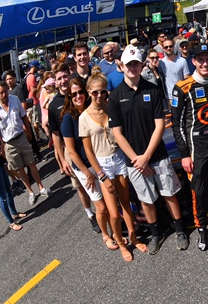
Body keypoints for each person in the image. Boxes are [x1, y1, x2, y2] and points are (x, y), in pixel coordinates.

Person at [109, 45, 189, 254]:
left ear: (141, 64)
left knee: (169, 194)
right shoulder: (115, 96)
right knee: (146, 199)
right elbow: (117, 133)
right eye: (129, 64)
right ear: (122, 66)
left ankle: (180, 230)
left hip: (157, 155)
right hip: (133, 161)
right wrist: (137, 159)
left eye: (136, 64)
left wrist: (146, 156)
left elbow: (160, 126)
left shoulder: (152, 90)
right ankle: (156, 234)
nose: (132, 68)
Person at [80, 73, 149, 261]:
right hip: (103, 164)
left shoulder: (112, 108)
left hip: (119, 158)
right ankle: (120, 243)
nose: (99, 96)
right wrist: (101, 175)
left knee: (126, 202)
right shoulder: (84, 118)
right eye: (95, 93)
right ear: (88, 93)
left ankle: (133, 238)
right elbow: (88, 152)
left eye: (103, 92)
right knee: (113, 211)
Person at [171, 43, 208, 251]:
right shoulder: (182, 87)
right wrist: (184, 154)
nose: (205, 63)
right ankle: (202, 228)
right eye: (201, 60)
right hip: (196, 144)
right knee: (199, 188)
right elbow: (177, 126)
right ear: (194, 61)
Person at [61, 78, 118, 252]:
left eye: (80, 92)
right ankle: (106, 235)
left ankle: (116, 232)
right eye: (74, 94)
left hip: (99, 162)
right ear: (69, 97)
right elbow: (71, 151)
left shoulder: (91, 110)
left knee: (110, 200)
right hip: (84, 168)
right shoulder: (68, 119)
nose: (78, 96)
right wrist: (87, 174)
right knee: (100, 206)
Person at [47, 64, 100, 232]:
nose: (63, 81)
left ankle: (104, 212)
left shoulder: (81, 92)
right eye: (59, 78)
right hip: (70, 151)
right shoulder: (53, 105)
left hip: (91, 146)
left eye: (64, 77)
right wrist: (62, 160)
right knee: (81, 186)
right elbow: (55, 134)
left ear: (69, 76)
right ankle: (90, 214)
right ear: (55, 82)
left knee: (98, 184)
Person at [0, 81, 51, 205]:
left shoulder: (14, 99)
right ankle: (31, 192)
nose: (4, 94)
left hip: (21, 137)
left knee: (31, 163)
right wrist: (2, 146)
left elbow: (24, 117)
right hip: (9, 143)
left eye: (5, 91)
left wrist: (29, 132)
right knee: (20, 168)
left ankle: (41, 187)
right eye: (1, 92)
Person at [0, 132, 26, 231]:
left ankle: (14, 213)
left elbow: (0, 139)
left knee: (8, 190)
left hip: (0, 162)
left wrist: (1, 147)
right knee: (2, 196)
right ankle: (11, 222)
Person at [159, 38, 190, 106]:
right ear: (163, 49)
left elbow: (187, 79)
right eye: (166, 47)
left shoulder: (182, 61)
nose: (168, 48)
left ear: (173, 47)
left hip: (181, 95)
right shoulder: (161, 62)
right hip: (169, 97)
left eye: (170, 46)